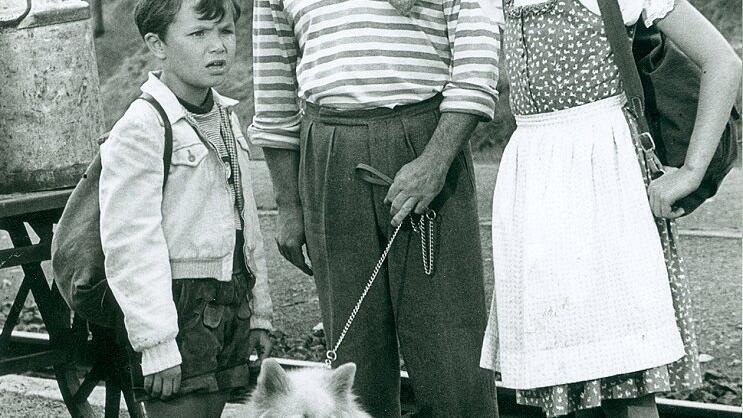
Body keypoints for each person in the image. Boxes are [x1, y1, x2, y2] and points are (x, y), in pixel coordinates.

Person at [479, 0, 742, 417]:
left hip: (605, 179)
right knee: (564, 374)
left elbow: (723, 63)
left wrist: (692, 171)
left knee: (627, 377)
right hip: (534, 185)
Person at [249, 0, 501, 416]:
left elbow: (477, 52)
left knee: (453, 358)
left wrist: (435, 161)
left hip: (427, 138)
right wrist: (288, 203)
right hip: (329, 150)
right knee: (353, 369)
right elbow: (273, 82)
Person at [98, 0, 274, 417]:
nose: (218, 47)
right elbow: (130, 244)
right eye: (199, 34)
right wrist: (157, 342)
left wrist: (259, 313)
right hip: (178, 310)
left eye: (226, 32)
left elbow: (247, 224)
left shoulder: (227, 119)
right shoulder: (143, 125)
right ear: (157, 44)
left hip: (229, 301)